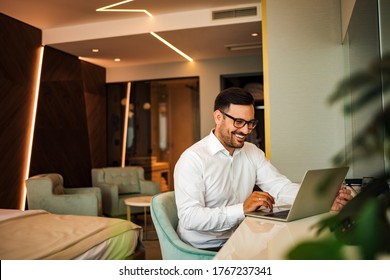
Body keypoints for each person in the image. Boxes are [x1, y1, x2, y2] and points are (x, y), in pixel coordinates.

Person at [174, 87, 352, 251]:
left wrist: (325, 198)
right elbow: (190, 217)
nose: (246, 130)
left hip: (241, 237)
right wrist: (242, 209)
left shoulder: (252, 152)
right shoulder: (193, 159)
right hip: (204, 247)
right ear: (218, 117)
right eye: (238, 122)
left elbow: (280, 187)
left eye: (250, 123)